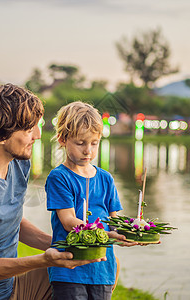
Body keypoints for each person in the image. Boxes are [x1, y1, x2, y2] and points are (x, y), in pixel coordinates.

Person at [0, 84, 105, 300]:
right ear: (1, 135)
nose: (37, 135)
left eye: (36, 126)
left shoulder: (18, 162)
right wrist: (46, 259)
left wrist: (70, 246)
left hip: (11, 289)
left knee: (101, 269)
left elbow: (11, 222)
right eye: (28, 129)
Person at [45, 101, 137, 300]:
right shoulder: (59, 177)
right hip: (69, 267)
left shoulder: (106, 178)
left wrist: (128, 232)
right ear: (62, 139)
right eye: (80, 143)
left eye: (94, 143)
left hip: (102, 267)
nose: (88, 150)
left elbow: (114, 221)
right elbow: (68, 221)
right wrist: (99, 232)